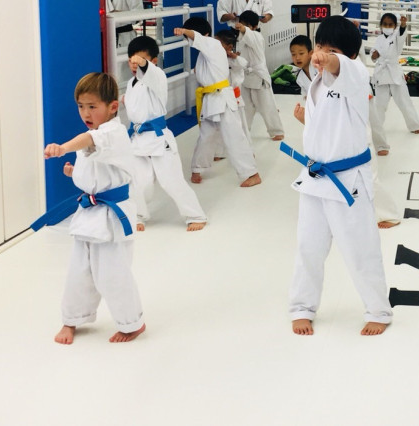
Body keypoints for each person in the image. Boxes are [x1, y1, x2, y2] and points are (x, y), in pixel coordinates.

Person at [280, 15, 392, 336]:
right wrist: (308, 122)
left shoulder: (355, 74)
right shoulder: (315, 83)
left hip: (347, 182)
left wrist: (329, 59)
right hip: (315, 179)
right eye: (319, 46)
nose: (320, 55)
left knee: (360, 249)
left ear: (350, 55)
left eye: (331, 51)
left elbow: (340, 67)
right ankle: (302, 306)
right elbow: (332, 128)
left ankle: (378, 310)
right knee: (308, 247)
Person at [45, 72, 145, 344]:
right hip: (89, 214)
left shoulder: (114, 132)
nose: (85, 113)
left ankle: (132, 322)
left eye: (92, 106)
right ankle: (72, 319)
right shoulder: (95, 133)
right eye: (81, 106)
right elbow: (95, 170)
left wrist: (62, 148)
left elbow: (90, 142)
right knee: (78, 271)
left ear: (112, 107)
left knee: (113, 273)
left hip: (112, 216)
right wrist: (75, 173)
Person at [124, 36, 207, 231]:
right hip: (137, 139)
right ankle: (137, 216)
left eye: (140, 59)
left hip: (158, 138)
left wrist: (142, 63)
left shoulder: (157, 76)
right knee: (138, 181)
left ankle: (195, 215)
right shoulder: (131, 83)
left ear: (153, 61)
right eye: (131, 60)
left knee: (171, 180)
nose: (134, 64)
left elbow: (149, 72)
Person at [174, 17, 261, 187]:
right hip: (211, 99)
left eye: (189, 36)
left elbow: (197, 38)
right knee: (206, 136)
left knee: (234, 136)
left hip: (223, 98)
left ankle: (252, 173)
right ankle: (197, 168)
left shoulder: (212, 44)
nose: (188, 40)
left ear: (202, 34)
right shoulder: (205, 52)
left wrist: (184, 31)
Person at [369, 12, 419, 155]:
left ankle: (414, 125)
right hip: (381, 73)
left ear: (395, 26)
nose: (387, 27)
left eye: (390, 24)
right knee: (380, 105)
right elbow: (374, 53)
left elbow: (402, 34)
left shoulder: (397, 36)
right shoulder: (379, 39)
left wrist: (403, 25)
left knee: (404, 100)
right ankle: (378, 129)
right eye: (385, 24)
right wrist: (374, 55)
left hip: (394, 72)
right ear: (381, 25)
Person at [235, 10, 285, 141]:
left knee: (267, 106)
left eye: (246, 25)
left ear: (254, 26)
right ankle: (243, 132)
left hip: (258, 77)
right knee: (245, 107)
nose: (242, 27)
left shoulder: (257, 37)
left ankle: (277, 131)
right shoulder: (239, 39)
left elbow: (248, 34)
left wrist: (243, 28)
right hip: (246, 77)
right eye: (241, 23)